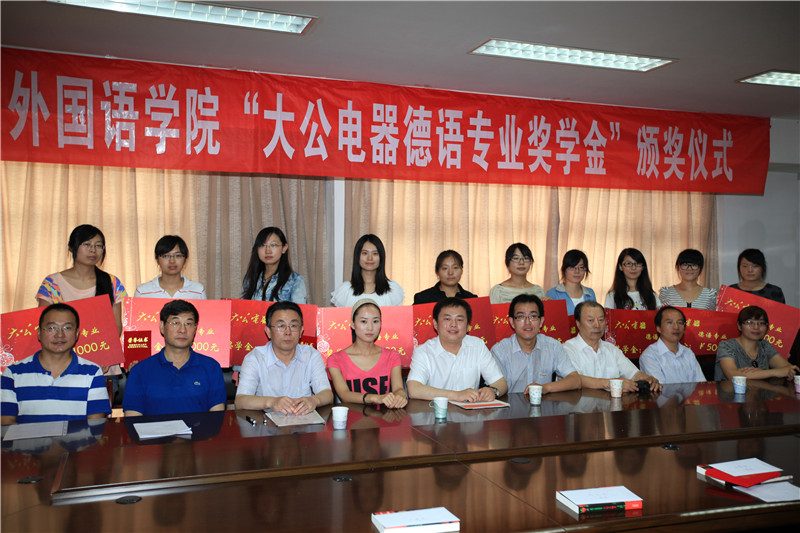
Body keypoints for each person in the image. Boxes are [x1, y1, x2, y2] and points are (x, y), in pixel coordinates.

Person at [1, 304, 111, 424]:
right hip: (26, 437)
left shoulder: (92, 373)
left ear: (77, 334)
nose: (60, 335)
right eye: (52, 328)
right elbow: (6, 423)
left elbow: (96, 425)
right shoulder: (12, 373)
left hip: (78, 437)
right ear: (39, 333)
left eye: (67, 328)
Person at [123, 300, 226, 416]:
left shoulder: (211, 367)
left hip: (200, 428)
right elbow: (132, 418)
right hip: (156, 428)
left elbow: (217, 417)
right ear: (162, 327)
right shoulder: (140, 371)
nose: (182, 330)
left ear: (195, 328)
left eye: (188, 324)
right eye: (175, 323)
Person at [235, 302, 333, 414]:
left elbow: (327, 394)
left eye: (293, 326)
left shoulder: (311, 355)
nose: (288, 332)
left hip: (303, 421)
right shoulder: (255, 358)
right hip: (265, 422)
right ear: (268, 332)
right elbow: (240, 401)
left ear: (301, 331)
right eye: (281, 326)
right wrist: (272, 402)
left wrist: (314, 400)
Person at [407, 297, 508, 401]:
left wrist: (493, 391)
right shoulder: (423, 351)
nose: (453, 324)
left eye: (459, 320)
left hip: (471, 410)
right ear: (435, 324)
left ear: (468, 326)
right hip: (436, 410)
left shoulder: (477, 345)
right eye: (447, 319)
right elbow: (414, 389)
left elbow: (500, 383)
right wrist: (456, 395)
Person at [36, 224, 127, 334]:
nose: (93, 250)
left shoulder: (112, 282)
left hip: (99, 344)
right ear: (71, 247)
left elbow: (116, 327)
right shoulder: (52, 283)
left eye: (98, 245)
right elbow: (43, 326)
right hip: (59, 344)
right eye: (87, 244)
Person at [491, 294, 581, 395]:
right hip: (510, 404)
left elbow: (575, 380)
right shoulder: (500, 351)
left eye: (533, 316)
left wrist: (545, 388)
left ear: (541, 321)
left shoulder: (553, 346)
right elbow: (495, 388)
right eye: (521, 317)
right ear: (512, 322)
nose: (527, 322)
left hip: (544, 404)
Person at [563, 301, 662, 392]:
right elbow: (574, 379)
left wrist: (648, 379)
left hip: (610, 404)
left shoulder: (611, 349)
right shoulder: (568, 349)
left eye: (601, 320)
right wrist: (612, 383)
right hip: (580, 404)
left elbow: (633, 373)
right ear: (578, 324)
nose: (597, 325)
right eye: (590, 320)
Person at [326, 299, 407, 408]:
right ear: (353, 324)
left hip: (385, 417)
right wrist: (375, 398)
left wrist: (400, 396)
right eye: (364, 321)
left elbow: (399, 389)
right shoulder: (335, 359)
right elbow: (344, 395)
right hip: (352, 418)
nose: (370, 328)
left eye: (375, 321)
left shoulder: (392, 356)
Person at [714, 306, 798, 381]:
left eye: (761, 323)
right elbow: (733, 375)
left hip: (762, 392)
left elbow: (789, 369)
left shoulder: (764, 346)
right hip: (732, 393)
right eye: (750, 322)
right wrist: (773, 372)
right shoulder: (726, 345)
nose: (756, 327)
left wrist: (758, 373)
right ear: (739, 326)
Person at [331, 234, 404, 307]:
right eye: (365, 253)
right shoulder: (345, 291)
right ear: (357, 256)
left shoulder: (392, 289)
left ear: (381, 257)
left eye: (375, 253)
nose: (370, 258)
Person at [639, 306, 706, 384]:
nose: (676, 327)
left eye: (680, 323)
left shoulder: (688, 353)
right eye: (669, 322)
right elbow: (660, 388)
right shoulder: (649, 356)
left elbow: (701, 384)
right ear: (659, 328)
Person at [241, 227, 307, 304]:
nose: (267, 251)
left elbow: (299, 310)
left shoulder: (295, 280)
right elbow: (242, 307)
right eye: (262, 245)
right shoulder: (250, 278)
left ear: (284, 248)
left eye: (273, 245)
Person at [134, 235, 206, 299]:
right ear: (157, 260)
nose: (172, 261)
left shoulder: (198, 291)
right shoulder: (142, 292)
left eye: (177, 256)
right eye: (166, 256)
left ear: (185, 259)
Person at [546, 249, 596, 316]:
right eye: (572, 267)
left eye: (581, 267)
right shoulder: (553, 293)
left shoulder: (590, 293)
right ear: (564, 270)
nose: (577, 271)